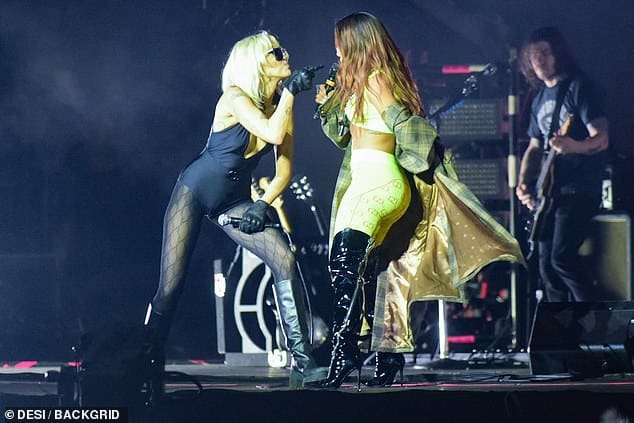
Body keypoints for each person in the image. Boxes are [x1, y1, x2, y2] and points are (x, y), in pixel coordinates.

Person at [312, 12, 524, 389]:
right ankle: (387, 356)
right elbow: (345, 138)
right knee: (374, 270)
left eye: (340, 43)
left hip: (380, 182)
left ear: (356, 43)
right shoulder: (359, 83)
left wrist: (392, 109)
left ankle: (345, 351)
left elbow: (408, 130)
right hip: (361, 181)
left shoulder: (378, 79)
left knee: (346, 263)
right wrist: (328, 105)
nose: (336, 50)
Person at [143, 31, 322, 391]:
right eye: (276, 52)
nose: (286, 55)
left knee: (284, 258)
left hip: (234, 201)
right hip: (194, 192)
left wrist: (262, 204)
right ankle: (144, 361)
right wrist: (291, 93)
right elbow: (271, 134)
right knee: (171, 287)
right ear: (257, 63)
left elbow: (284, 171)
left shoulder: (280, 106)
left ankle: (303, 364)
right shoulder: (235, 97)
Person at [516, 27, 609, 302]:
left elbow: (602, 139)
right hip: (550, 195)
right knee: (546, 268)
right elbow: (535, 147)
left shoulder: (580, 87)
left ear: (559, 53)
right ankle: (561, 325)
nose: (539, 60)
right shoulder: (538, 99)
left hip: (578, 190)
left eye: (545, 53)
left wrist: (574, 146)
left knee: (562, 259)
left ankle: (596, 320)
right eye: (534, 55)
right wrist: (523, 183)